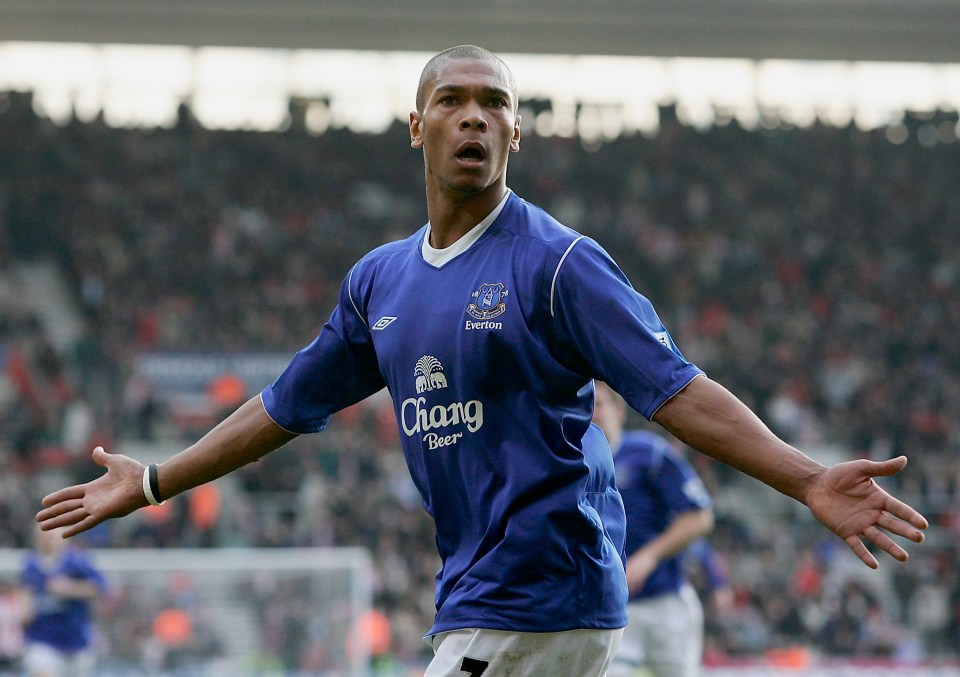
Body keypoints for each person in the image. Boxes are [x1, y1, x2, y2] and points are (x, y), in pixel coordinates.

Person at [36, 44, 928, 677]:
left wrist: (807, 478)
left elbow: (675, 389)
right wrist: (156, 480)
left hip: (539, 594)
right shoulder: (378, 281)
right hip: (489, 598)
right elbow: (283, 406)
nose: (475, 116)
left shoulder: (560, 264)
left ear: (516, 134)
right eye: (455, 99)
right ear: (416, 126)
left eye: (495, 103)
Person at [592, 381, 714, 677]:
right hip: (610, 607)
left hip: (666, 600)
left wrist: (649, 556)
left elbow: (699, 517)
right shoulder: (572, 463)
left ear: (619, 411)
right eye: (584, 404)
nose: (591, 413)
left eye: (599, 404)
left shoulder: (648, 453)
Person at [19, 525, 106, 677]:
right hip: (43, 640)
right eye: (42, 536)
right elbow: (26, 592)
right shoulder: (30, 563)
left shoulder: (77, 561)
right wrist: (24, 610)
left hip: (76, 641)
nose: (47, 541)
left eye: (51, 536)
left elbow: (100, 588)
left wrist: (69, 589)